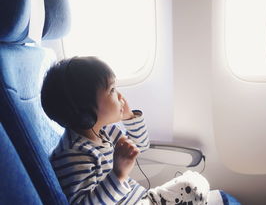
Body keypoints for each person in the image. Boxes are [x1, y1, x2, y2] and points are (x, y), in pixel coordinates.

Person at [41, 56, 209, 205]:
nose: (120, 96)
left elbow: (141, 146)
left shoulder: (105, 131)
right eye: (112, 90)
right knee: (193, 189)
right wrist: (118, 174)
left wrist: (130, 118)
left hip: (142, 198)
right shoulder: (74, 155)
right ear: (85, 112)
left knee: (194, 181)